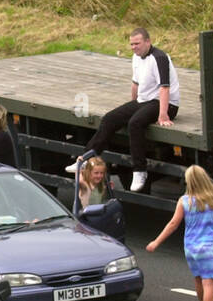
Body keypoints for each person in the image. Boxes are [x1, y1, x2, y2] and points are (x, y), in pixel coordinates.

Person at [65, 27, 179, 193]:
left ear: (148, 41)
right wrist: (132, 107)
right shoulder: (136, 57)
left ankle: (140, 171)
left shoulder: (159, 58)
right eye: (131, 44)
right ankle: (85, 158)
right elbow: (135, 84)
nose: (134, 47)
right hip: (144, 101)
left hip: (166, 103)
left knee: (135, 123)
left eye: (137, 43)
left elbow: (164, 88)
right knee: (110, 119)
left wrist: (163, 114)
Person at [145, 164, 213, 301]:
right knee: (209, 283)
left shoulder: (184, 201)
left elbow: (173, 224)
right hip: (208, 247)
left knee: (198, 280)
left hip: (190, 248)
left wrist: (156, 242)